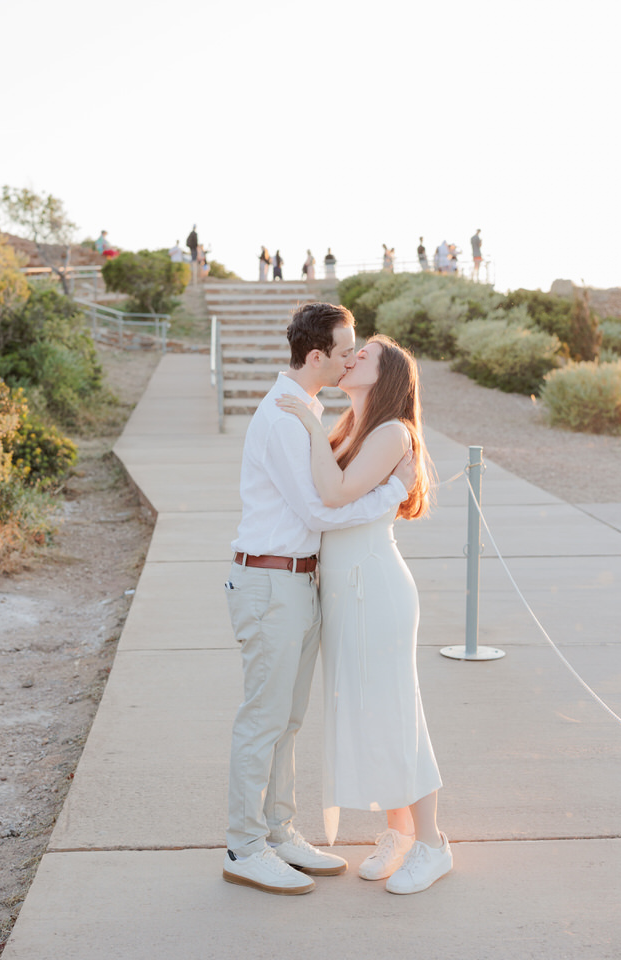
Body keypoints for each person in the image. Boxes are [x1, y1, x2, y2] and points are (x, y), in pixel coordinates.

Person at [223, 303, 416, 897]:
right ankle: (245, 846)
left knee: (287, 720)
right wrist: (393, 493)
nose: (351, 359)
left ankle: (278, 831)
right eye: (345, 351)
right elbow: (318, 510)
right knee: (264, 719)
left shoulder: (307, 409)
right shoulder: (286, 416)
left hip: (296, 582)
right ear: (316, 357)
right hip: (270, 582)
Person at [275, 334, 452, 896]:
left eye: (364, 355)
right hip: (344, 589)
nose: (351, 359)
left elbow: (334, 495)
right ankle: (399, 831)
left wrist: (309, 427)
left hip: (375, 588)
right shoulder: (352, 425)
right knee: (370, 712)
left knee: (396, 712)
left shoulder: (392, 431)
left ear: (388, 375)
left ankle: (432, 844)